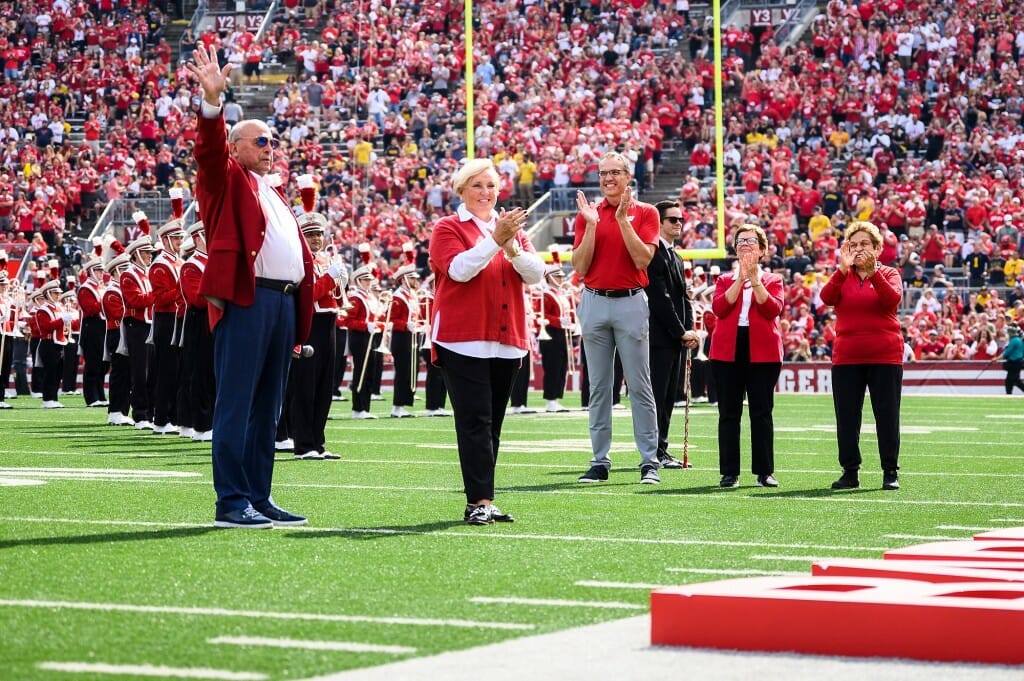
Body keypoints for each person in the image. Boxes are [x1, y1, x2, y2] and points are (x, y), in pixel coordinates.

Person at [187, 44, 315, 529]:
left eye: (272, 142)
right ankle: (231, 501)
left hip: (282, 303)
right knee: (237, 403)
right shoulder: (226, 178)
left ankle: (259, 495)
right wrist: (213, 104)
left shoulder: (272, 188)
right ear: (237, 147)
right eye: (261, 142)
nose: (270, 147)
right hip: (248, 298)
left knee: (268, 408)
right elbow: (207, 151)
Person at [428, 158, 545, 525]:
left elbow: (536, 274)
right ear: (461, 190)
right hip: (462, 339)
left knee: (492, 423)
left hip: (507, 337)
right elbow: (460, 271)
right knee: (475, 421)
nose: (486, 193)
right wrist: (495, 241)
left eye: (491, 185)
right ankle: (479, 500)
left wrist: (511, 247)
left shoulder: (510, 229)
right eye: (477, 185)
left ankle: (484, 499)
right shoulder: (447, 227)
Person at [572, 152, 662, 485]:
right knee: (598, 387)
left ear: (628, 175)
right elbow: (580, 266)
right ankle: (599, 460)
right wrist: (592, 225)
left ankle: (649, 461)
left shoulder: (646, 212)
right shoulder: (588, 215)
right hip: (594, 301)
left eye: (614, 172)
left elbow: (642, 260)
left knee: (639, 384)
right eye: (603, 173)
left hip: (630, 301)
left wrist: (624, 220)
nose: (608, 178)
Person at [819, 221, 904, 490]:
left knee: (887, 415)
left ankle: (890, 471)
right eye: (853, 244)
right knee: (846, 417)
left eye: (865, 244)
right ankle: (850, 471)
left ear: (878, 248)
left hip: (885, 355)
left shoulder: (890, 273)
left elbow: (891, 300)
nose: (858, 249)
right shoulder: (842, 275)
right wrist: (842, 269)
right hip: (847, 357)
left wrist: (873, 272)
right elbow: (826, 297)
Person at [708, 224, 784, 488]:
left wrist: (755, 279)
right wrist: (741, 278)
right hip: (727, 349)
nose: (745, 244)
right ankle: (729, 472)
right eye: (740, 241)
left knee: (761, 412)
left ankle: (765, 471)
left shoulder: (773, 280)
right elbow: (720, 307)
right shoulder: (725, 280)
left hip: (762, 350)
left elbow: (771, 309)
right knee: (729, 412)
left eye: (751, 241)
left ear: (762, 249)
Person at [646, 200, 700, 470]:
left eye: (681, 219)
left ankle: (662, 449)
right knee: (656, 396)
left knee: (669, 396)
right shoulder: (653, 254)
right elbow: (660, 299)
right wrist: (681, 331)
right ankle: (653, 451)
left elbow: (684, 298)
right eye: (672, 220)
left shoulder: (676, 256)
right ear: (659, 222)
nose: (678, 224)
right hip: (658, 338)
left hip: (676, 338)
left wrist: (689, 330)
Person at [1000, 323, 1024, 395]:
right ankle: (1008, 394)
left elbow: (1007, 352)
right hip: (1018, 361)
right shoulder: (1019, 340)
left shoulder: (1014, 340)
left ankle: (1008, 394)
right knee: (1015, 380)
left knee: (1011, 381)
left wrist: (997, 358)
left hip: (1014, 362)